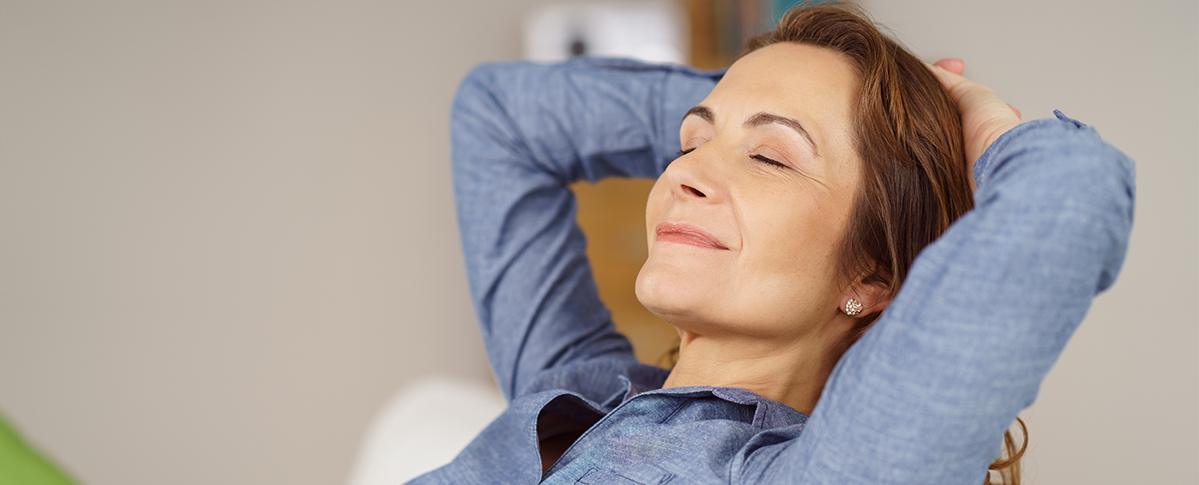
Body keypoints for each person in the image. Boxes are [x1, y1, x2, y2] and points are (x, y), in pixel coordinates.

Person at [411, 3, 1135, 484]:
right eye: (689, 141)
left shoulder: (823, 470)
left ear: (874, 273)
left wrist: (969, 125)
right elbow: (500, 115)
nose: (685, 171)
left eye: (769, 158)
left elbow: (1070, 196)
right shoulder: (578, 389)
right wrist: (763, 96)